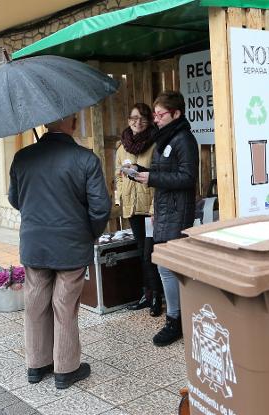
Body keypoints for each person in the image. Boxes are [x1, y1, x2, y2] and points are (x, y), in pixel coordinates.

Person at [8, 113, 111, 389]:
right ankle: (65, 370)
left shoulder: (22, 158)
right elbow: (100, 208)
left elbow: (15, 199)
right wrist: (88, 233)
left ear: (44, 124)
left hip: (34, 243)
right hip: (71, 245)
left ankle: (36, 365)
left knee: (35, 303)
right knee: (65, 306)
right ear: (74, 123)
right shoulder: (86, 159)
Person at [135, 91, 199, 346]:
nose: (156, 119)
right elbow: (165, 174)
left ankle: (175, 320)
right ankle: (178, 316)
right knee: (165, 265)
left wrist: (152, 178)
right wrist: (141, 173)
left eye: (161, 115)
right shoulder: (165, 139)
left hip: (177, 211)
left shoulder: (184, 139)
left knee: (167, 266)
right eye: (155, 114)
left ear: (176, 114)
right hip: (164, 210)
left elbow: (187, 178)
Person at [115, 103, 163, 317]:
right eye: (134, 118)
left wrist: (155, 208)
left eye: (143, 118)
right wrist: (120, 198)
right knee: (141, 251)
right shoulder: (121, 147)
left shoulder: (156, 144)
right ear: (128, 120)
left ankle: (156, 297)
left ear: (150, 121)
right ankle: (148, 294)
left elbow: (160, 177)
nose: (138, 121)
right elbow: (118, 175)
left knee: (149, 253)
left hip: (149, 209)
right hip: (133, 209)